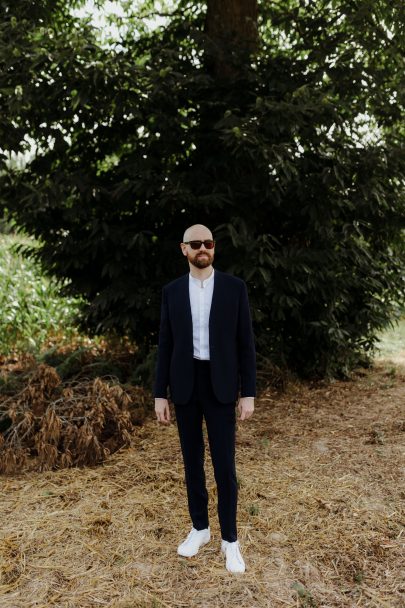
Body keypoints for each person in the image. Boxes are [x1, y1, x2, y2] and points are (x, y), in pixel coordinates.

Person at [153, 224, 256, 573]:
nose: (203, 249)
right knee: (192, 462)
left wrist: (249, 393)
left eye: (208, 243)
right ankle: (200, 529)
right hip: (185, 384)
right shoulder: (171, 292)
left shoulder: (234, 288)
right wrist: (159, 394)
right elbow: (165, 344)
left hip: (222, 384)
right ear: (184, 249)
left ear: (214, 248)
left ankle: (231, 541)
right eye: (196, 244)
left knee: (225, 466)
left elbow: (246, 344)